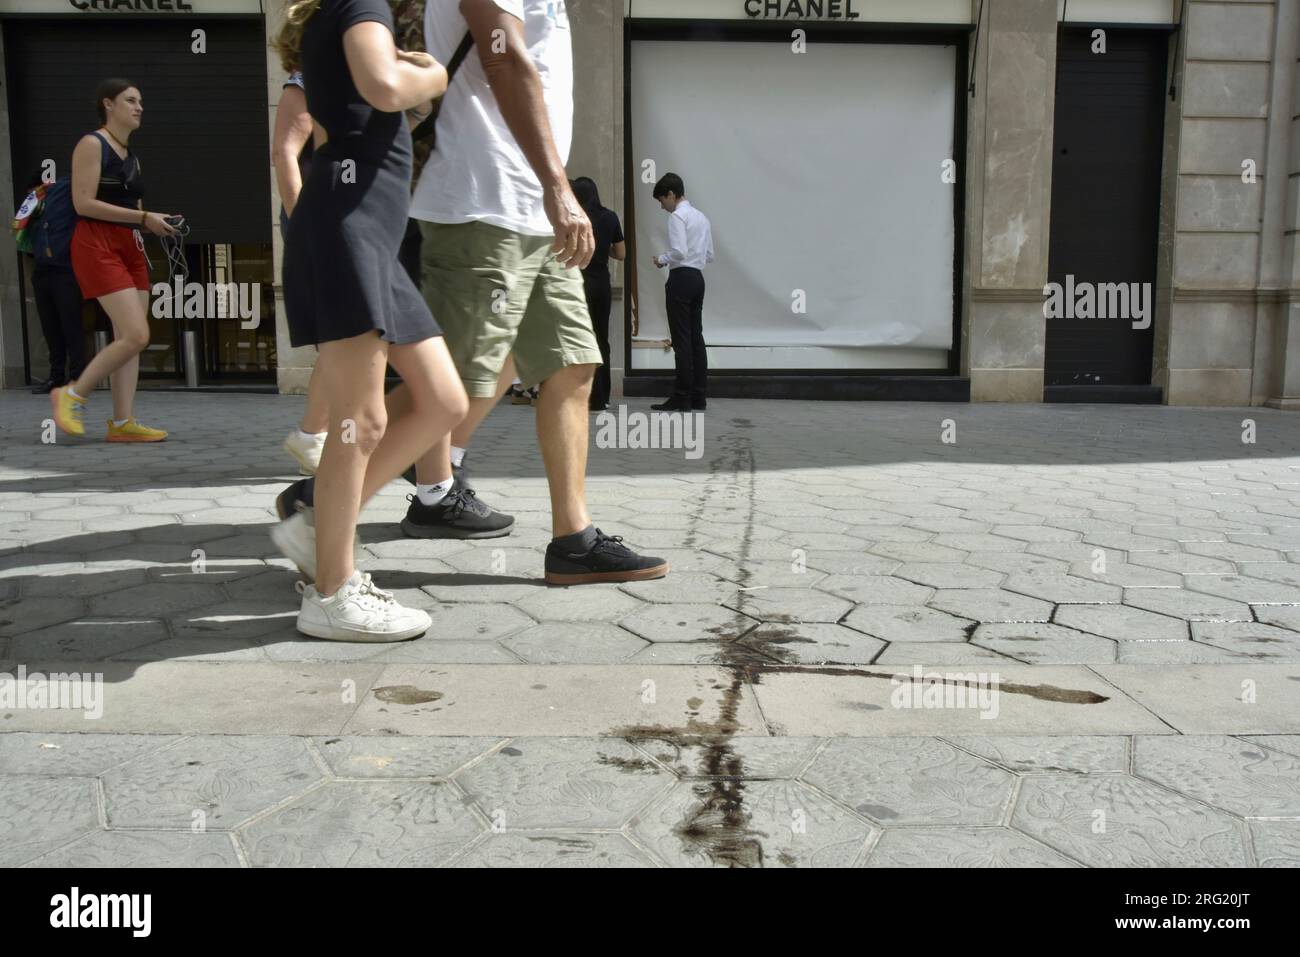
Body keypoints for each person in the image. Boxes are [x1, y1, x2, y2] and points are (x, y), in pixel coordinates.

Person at [403, 0, 668, 586]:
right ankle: (322, 504)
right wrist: (558, 186)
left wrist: (550, 193)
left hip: (530, 209)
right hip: (483, 198)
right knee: (455, 384)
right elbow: (504, 62)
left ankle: (573, 541)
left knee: (572, 363)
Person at [269, 0, 469, 642]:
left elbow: (364, 108)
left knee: (442, 400)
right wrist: (433, 78)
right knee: (363, 421)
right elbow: (384, 86)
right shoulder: (362, 4)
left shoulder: (350, 14)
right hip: (348, 230)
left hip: (370, 237)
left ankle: (315, 522)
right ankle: (332, 594)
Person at [49, 78, 179, 442]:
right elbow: (83, 203)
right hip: (96, 243)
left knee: (129, 337)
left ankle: (122, 424)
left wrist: (154, 222)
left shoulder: (130, 154)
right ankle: (71, 395)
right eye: (131, 100)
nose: (139, 107)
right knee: (138, 334)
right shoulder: (92, 144)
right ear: (109, 104)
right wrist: (142, 218)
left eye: (141, 102)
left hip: (131, 244)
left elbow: (133, 207)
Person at [273, 69, 332, 475]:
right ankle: (314, 435)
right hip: (324, 219)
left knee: (349, 338)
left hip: (358, 216)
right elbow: (285, 152)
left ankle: (318, 436)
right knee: (344, 337)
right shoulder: (307, 77)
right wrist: (305, 226)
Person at [651, 172, 713, 412]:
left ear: (671, 194)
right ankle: (699, 396)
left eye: (661, 200)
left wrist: (662, 259)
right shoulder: (701, 217)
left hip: (681, 278)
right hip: (698, 278)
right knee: (696, 337)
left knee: (682, 339)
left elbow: (679, 251)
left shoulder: (677, 217)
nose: (662, 206)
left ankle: (681, 396)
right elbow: (709, 255)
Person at [21, 173, 87, 395]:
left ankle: (77, 377)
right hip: (42, 272)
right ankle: (56, 376)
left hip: (65, 271)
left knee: (71, 326)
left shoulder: (63, 196)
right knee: (51, 328)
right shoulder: (35, 208)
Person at [571, 176, 624, 412]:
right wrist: (604, 249)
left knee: (578, 340)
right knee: (601, 338)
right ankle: (602, 398)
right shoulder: (610, 217)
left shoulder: (574, 219)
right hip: (601, 283)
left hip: (577, 282)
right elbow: (621, 254)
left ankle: (581, 395)